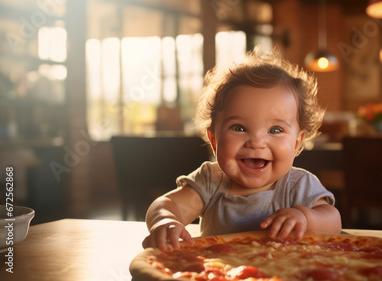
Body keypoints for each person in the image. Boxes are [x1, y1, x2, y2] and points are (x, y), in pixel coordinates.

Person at [143, 48, 341, 252]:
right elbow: (167, 204)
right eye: (239, 128)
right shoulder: (211, 182)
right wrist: (165, 221)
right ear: (214, 139)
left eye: (275, 129)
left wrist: (305, 217)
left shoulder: (299, 185)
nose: (256, 142)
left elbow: (333, 222)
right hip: (217, 273)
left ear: (297, 143)